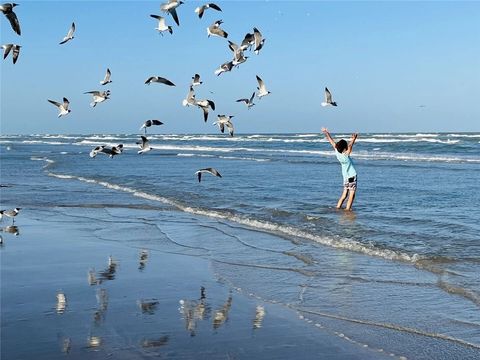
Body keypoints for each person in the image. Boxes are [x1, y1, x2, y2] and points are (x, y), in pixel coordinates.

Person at [322, 128, 358, 211]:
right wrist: (354, 139)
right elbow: (350, 146)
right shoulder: (346, 155)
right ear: (345, 148)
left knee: (344, 194)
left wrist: (326, 133)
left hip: (345, 176)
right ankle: (347, 209)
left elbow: (331, 141)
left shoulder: (337, 153)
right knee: (352, 194)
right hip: (352, 175)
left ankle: (338, 207)